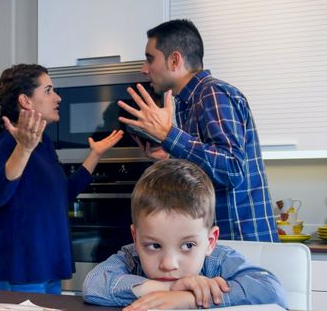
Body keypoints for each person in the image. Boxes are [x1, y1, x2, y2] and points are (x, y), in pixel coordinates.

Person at [117, 19, 278, 242]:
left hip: (242, 243)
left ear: (175, 60)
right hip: (220, 243)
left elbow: (232, 169)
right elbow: (208, 170)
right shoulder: (186, 103)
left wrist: (168, 135)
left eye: (149, 59)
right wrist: (169, 156)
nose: (144, 69)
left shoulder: (212, 93)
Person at [0, 63, 123, 294]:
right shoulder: (10, 140)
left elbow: (62, 195)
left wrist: (95, 154)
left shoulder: (44, 144)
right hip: (21, 273)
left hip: (47, 271)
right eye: (48, 90)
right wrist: (23, 149)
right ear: (26, 101)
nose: (57, 98)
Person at [83, 159, 286, 311]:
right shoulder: (130, 256)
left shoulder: (219, 260)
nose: (169, 264)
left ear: (210, 241)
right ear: (135, 238)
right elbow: (93, 285)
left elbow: (272, 291)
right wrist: (168, 287)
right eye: (154, 246)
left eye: (188, 245)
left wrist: (188, 299)